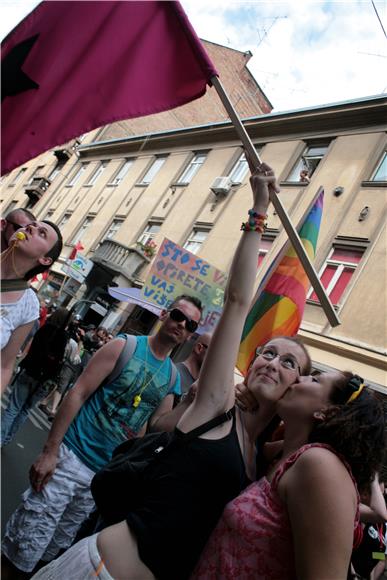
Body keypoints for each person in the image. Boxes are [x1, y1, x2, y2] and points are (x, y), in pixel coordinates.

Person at [27, 164, 313, 580]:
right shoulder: (217, 406)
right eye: (267, 353)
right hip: (97, 569)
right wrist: (258, 213)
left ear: (297, 387)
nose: (272, 362)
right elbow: (236, 301)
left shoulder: (266, 459)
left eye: (289, 362)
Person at [2, 294, 202, 576]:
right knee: (24, 543)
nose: (182, 324)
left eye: (190, 324)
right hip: (70, 457)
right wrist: (50, 451)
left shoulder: (172, 378)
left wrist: (191, 403)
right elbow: (78, 393)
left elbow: (158, 426)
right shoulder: (125, 346)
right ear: (164, 315)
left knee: (51, 553)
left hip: (101, 477)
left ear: (190, 335)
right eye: (178, 316)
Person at [192, 372, 385, 580]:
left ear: (326, 412)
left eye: (314, 380)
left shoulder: (321, 465)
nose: (300, 378)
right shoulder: (281, 455)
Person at [1, 220, 63, 391]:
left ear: (44, 259)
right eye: (31, 224)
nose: (31, 228)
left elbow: (4, 366)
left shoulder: (28, 306)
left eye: (42, 233)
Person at [1, 307, 71, 446]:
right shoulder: (64, 337)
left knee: (14, 408)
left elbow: (33, 348)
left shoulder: (45, 329)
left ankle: (1, 438)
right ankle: (7, 439)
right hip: (44, 381)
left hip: (30, 372)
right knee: (25, 410)